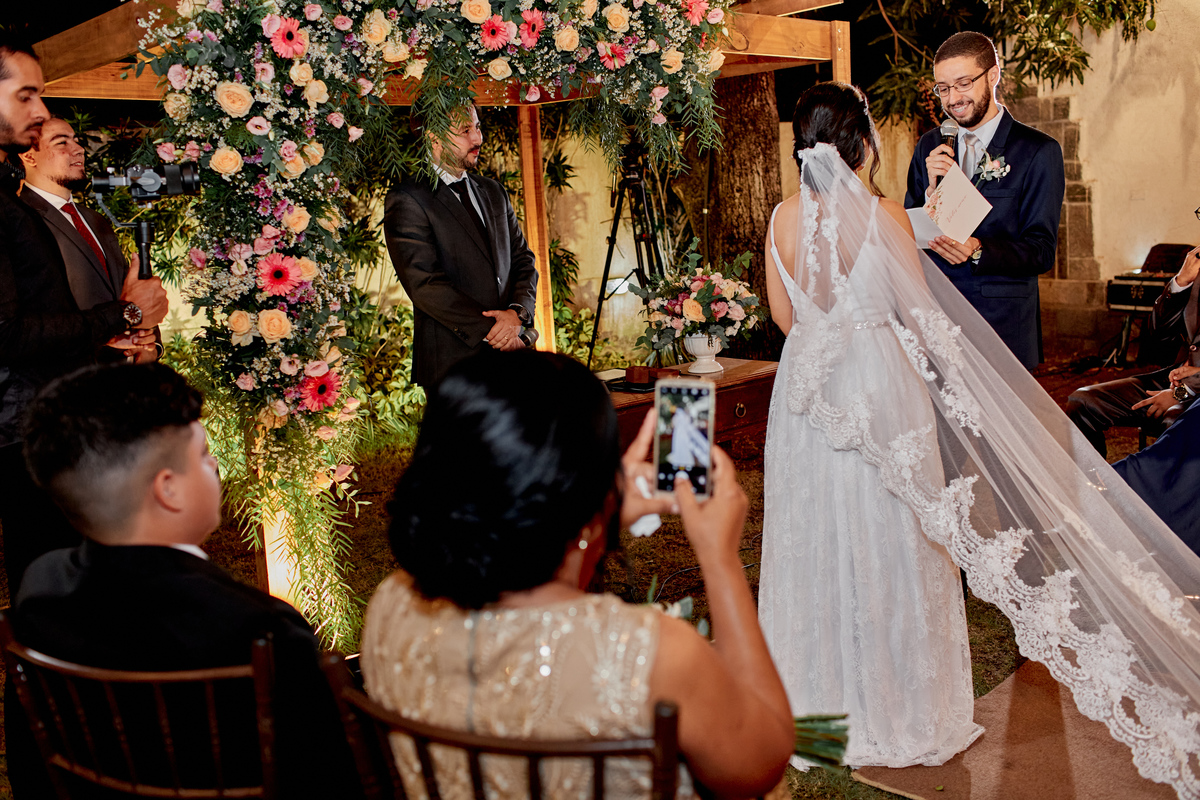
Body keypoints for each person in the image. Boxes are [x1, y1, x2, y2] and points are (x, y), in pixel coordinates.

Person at [760, 81, 1200, 794]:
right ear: (858, 141)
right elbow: (919, 313)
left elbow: (785, 318)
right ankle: (900, 709)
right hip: (880, 385)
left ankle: (813, 705)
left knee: (813, 536)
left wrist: (829, 336)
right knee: (892, 537)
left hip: (805, 392)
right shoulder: (882, 218)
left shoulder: (779, 218)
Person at [360, 350, 793, 798]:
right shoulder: (649, 654)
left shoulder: (391, 606)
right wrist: (719, 556)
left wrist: (594, 513)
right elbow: (761, 761)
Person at [12, 362, 361, 799]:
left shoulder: (41, 586)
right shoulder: (262, 630)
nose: (214, 464)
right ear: (168, 489)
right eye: (202, 454)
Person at [0, 37, 167, 597]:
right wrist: (119, 316)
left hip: (78, 414)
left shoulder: (94, 219)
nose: (41, 112)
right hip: (27, 425)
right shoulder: (16, 210)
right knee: (52, 586)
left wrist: (143, 336)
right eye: (26, 96)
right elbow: (14, 332)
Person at [904, 32, 1065, 369]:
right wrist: (930, 192)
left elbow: (1041, 250)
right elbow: (911, 230)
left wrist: (978, 248)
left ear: (993, 75)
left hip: (1002, 326)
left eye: (963, 83)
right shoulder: (929, 146)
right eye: (943, 88)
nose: (953, 99)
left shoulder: (1038, 151)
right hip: (939, 321)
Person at [383, 105, 538, 388]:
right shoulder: (407, 198)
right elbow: (425, 285)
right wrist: (497, 330)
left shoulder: (493, 190)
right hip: (454, 365)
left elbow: (523, 259)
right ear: (434, 137)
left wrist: (517, 314)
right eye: (466, 130)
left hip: (515, 353)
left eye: (477, 127)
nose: (477, 138)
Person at [20, 116, 159, 363]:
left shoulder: (96, 220)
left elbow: (128, 294)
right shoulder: (20, 220)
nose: (79, 149)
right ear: (29, 156)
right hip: (65, 383)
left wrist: (150, 347)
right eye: (61, 143)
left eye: (76, 140)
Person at [1067, 245, 1200, 458]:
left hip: (1194, 389)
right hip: (1178, 377)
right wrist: (1180, 283)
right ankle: (1096, 486)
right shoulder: (1195, 266)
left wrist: (1181, 393)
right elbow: (1159, 334)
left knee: (1173, 421)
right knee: (1083, 402)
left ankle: (1156, 488)